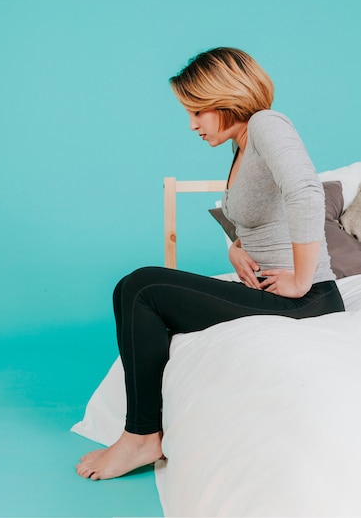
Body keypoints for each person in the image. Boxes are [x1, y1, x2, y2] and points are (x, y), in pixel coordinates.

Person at [76, 47, 345, 481]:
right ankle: (146, 430)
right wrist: (236, 246)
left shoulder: (266, 125)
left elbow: (306, 192)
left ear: (227, 96)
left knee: (143, 287)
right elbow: (261, 212)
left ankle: (143, 435)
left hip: (307, 299)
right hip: (268, 288)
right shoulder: (241, 148)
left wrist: (299, 280)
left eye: (198, 111)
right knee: (129, 286)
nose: (192, 125)